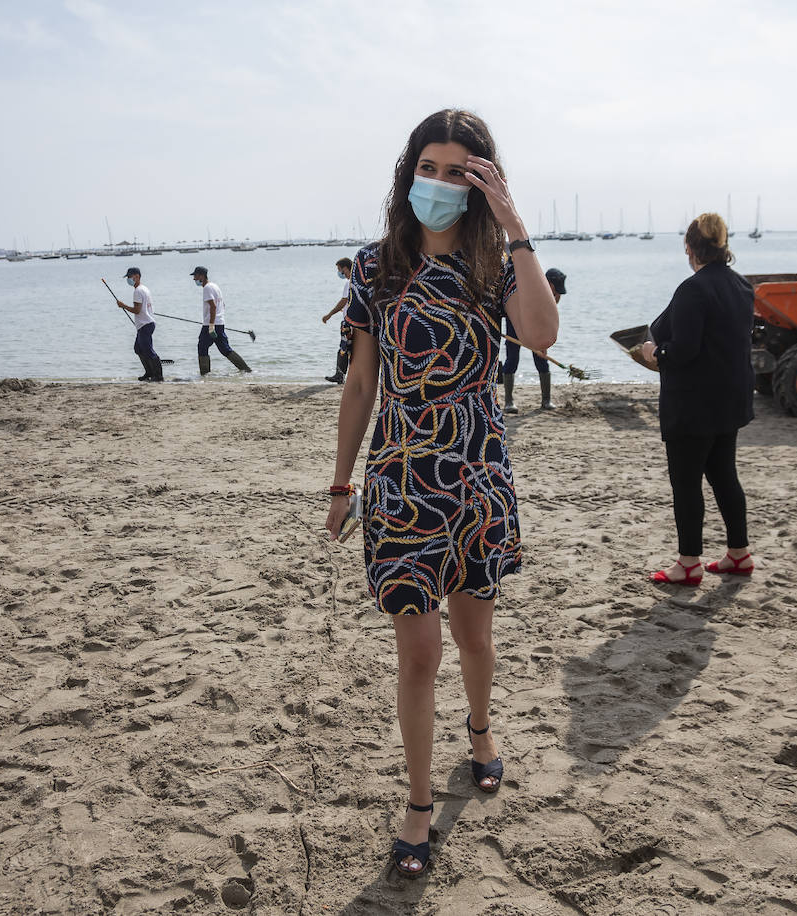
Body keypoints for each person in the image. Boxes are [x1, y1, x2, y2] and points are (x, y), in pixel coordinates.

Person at [324, 109, 558, 878]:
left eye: (458, 171)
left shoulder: (493, 265)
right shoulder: (374, 267)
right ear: (408, 172)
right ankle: (419, 804)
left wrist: (513, 221)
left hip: (477, 474)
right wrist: (340, 480)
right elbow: (361, 382)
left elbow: (541, 335)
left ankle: (482, 729)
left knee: (474, 640)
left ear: (481, 182)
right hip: (399, 482)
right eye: (428, 166)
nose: (438, 183)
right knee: (418, 652)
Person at [637, 213, 754, 585]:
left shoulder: (693, 289)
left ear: (689, 248)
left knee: (686, 484)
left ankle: (688, 563)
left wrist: (653, 354)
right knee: (725, 477)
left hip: (693, 404)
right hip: (730, 400)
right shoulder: (742, 286)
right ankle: (739, 553)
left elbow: (683, 350)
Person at [501, 267, 565, 412]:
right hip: (516, 318)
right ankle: (509, 402)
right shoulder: (528, 283)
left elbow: (548, 313)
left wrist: (543, 345)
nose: (556, 295)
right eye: (555, 291)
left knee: (542, 359)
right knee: (512, 359)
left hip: (537, 320)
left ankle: (546, 401)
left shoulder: (550, 290)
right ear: (550, 283)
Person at [190, 267, 252, 375]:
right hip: (219, 323)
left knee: (202, 347)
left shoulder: (207, 288)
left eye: (195, 276)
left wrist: (211, 326)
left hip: (210, 324)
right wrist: (219, 321)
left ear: (202, 276)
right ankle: (246, 370)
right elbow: (223, 305)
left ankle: (205, 375)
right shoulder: (215, 286)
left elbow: (213, 307)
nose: (194, 279)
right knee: (225, 349)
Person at [115, 267, 163, 382]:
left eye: (130, 277)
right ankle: (149, 372)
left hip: (145, 324)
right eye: (127, 277)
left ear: (137, 276)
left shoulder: (138, 291)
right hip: (146, 323)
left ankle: (158, 376)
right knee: (138, 348)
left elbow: (137, 310)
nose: (128, 279)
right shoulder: (144, 289)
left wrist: (123, 306)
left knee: (148, 350)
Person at [322, 257, 354, 384]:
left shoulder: (349, 282)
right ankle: (347, 375)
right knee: (349, 350)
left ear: (344, 268)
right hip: (354, 321)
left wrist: (329, 314)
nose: (339, 272)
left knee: (343, 348)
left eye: (339, 269)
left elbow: (343, 301)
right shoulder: (357, 281)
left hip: (347, 322)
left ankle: (339, 375)